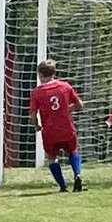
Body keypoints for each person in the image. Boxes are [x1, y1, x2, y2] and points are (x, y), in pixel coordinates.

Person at [29, 58, 85, 192]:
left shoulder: (37, 92)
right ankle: (77, 174)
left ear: (40, 75)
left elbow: (32, 114)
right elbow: (80, 105)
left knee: (52, 158)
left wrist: (36, 126)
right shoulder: (65, 86)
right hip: (66, 127)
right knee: (73, 151)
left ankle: (63, 186)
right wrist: (66, 109)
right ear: (53, 73)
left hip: (50, 131)